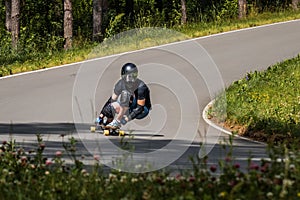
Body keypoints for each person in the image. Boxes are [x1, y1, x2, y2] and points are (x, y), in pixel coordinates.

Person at [97, 63, 151, 129]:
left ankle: (117, 122)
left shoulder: (141, 87)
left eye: (133, 75)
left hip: (142, 110)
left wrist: (124, 120)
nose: (130, 78)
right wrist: (102, 114)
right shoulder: (120, 83)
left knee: (125, 95)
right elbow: (112, 100)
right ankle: (108, 124)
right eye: (128, 76)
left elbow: (140, 108)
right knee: (109, 108)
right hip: (129, 108)